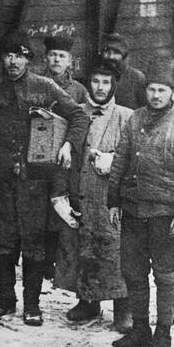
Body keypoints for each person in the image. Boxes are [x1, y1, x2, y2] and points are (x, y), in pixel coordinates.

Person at [0, 30, 89, 326]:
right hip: (1, 180)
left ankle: (32, 305)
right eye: (8, 55)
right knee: (2, 241)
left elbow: (79, 116)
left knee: (33, 243)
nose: (13, 61)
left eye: (20, 56)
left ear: (28, 59)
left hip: (34, 182)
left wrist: (67, 145)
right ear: (1, 59)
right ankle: (5, 299)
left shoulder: (44, 87)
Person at [106, 57, 174, 347]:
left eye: (162, 90)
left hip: (165, 217)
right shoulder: (134, 119)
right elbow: (120, 161)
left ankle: (163, 334)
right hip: (133, 211)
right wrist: (113, 200)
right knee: (133, 273)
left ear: (172, 92)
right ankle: (140, 329)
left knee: (165, 276)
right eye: (152, 89)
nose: (156, 95)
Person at [56, 58, 134, 332]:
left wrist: (112, 161)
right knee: (82, 247)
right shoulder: (76, 113)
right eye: (95, 81)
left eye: (106, 82)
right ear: (88, 84)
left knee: (114, 250)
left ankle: (124, 307)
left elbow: (136, 159)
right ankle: (87, 301)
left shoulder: (126, 117)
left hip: (109, 200)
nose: (100, 88)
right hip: (81, 194)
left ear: (114, 85)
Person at [37, 34, 84, 279]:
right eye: (53, 55)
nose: (56, 59)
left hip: (64, 159)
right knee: (36, 206)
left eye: (62, 56)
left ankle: (52, 261)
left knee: (58, 205)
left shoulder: (78, 91)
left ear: (69, 61)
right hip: (36, 157)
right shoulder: (35, 84)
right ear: (46, 58)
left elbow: (83, 122)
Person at [99, 33, 146, 110]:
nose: (111, 56)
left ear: (124, 55)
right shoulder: (96, 77)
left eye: (116, 52)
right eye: (107, 52)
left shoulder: (137, 78)